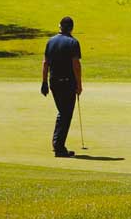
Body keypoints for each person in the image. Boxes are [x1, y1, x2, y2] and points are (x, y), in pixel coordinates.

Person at [40, 15, 84, 157]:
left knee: (62, 112)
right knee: (66, 114)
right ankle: (59, 148)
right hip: (67, 82)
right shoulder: (73, 42)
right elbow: (76, 65)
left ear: (60, 26)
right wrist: (79, 84)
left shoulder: (50, 41)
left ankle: (57, 144)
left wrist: (44, 82)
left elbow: (45, 63)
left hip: (53, 82)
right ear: (71, 28)